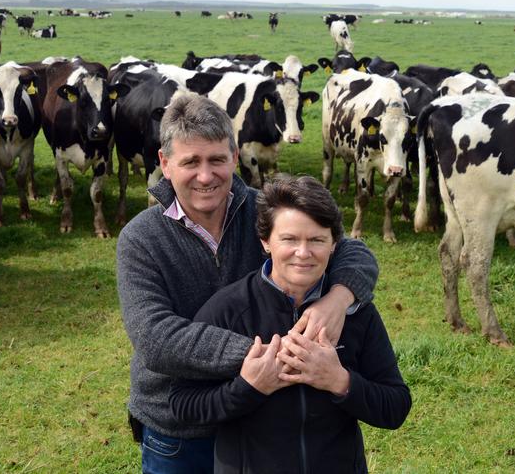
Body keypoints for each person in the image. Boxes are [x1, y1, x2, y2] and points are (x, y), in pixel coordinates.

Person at [117, 94, 379, 473]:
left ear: (235, 158)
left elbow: (354, 252)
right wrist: (273, 357)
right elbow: (156, 339)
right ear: (165, 163)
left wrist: (338, 298)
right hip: (181, 429)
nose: (205, 176)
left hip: (261, 421)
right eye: (191, 162)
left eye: (217, 160)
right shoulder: (141, 239)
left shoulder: (265, 212)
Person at [169, 175, 412, 473]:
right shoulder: (227, 310)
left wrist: (338, 380)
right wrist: (248, 388)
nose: (303, 252)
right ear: (265, 242)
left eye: (317, 240)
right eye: (289, 239)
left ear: (335, 244)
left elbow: (396, 407)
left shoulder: (356, 313)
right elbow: (182, 404)